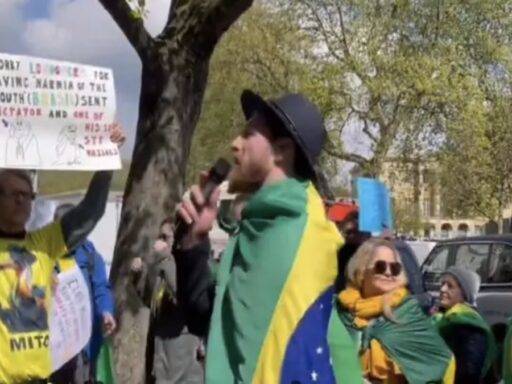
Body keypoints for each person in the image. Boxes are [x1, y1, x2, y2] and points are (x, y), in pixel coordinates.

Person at [174, 90, 345, 383]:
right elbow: (207, 317)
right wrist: (194, 238)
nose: (234, 144)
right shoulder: (262, 225)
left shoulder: (302, 234)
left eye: (248, 134)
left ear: (280, 150)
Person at [0, 125, 125, 383]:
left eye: (28, 195)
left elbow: (90, 212)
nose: (23, 201)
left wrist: (106, 159)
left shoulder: (46, 242)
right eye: (15, 195)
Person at [334, 238, 455, 384]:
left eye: (395, 268)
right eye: (380, 266)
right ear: (361, 270)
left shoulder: (408, 312)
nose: (388, 272)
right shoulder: (339, 311)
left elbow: (442, 362)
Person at [49, 203, 116, 384]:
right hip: (52, 346)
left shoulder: (91, 256)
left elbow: (101, 288)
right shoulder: (43, 257)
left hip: (84, 346)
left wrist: (106, 311)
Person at [131, 218, 203, 384]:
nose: (159, 242)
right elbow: (150, 300)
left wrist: (166, 260)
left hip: (180, 347)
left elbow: (183, 293)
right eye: (159, 237)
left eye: (165, 237)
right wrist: (138, 275)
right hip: (159, 344)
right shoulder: (162, 267)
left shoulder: (188, 263)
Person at [434, 267, 496, 384]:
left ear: (464, 294)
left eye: (450, 286)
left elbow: (469, 374)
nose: (442, 289)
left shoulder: (470, 327)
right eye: (442, 284)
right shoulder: (442, 318)